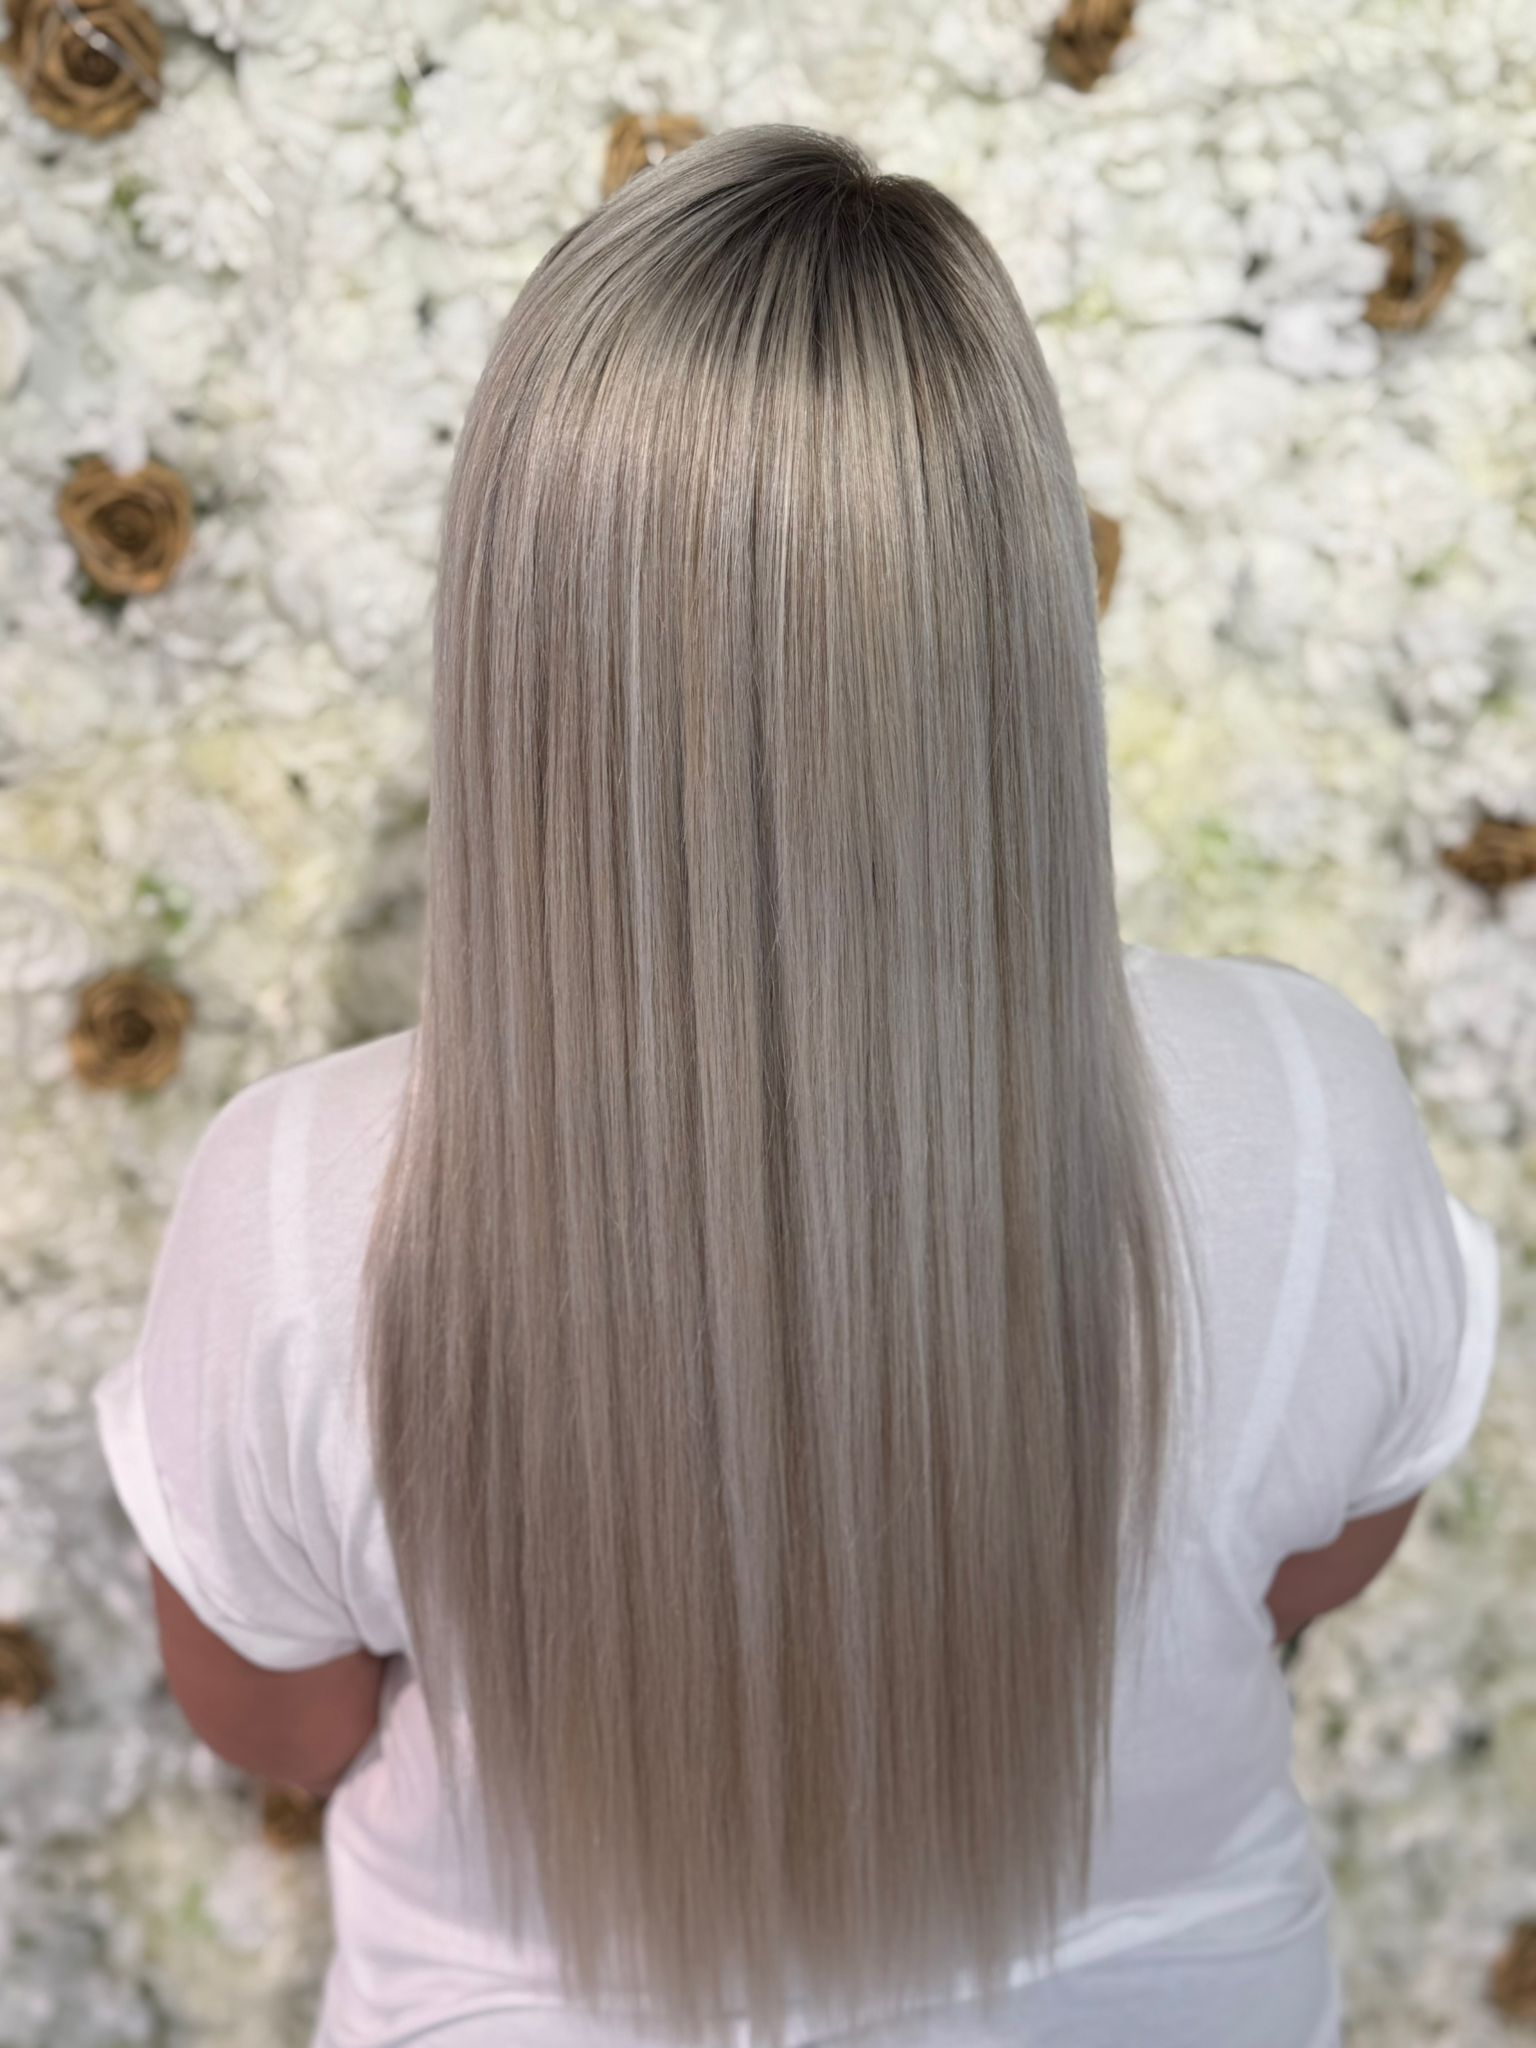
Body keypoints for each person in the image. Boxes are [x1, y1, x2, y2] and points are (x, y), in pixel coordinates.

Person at [93, 124, 1502, 2048]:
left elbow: (279, 1720)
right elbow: (1311, 1568)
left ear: (521, 631)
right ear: (1016, 595)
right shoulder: (1310, 1100)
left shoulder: (293, 1203)